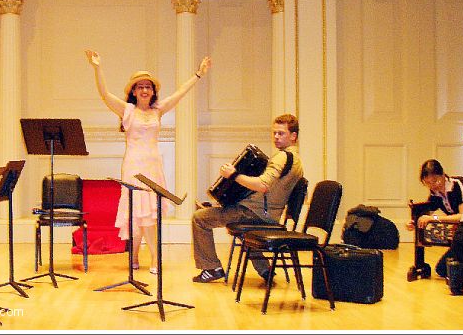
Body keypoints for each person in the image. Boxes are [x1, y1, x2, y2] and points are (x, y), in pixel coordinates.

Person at [86, 50, 211, 274]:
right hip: (134, 166)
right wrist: (97, 68)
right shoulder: (127, 110)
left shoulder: (158, 110)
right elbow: (104, 94)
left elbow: (180, 93)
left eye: (148, 86)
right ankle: (138, 255)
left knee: (149, 213)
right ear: (133, 91)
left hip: (153, 166)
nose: (144, 90)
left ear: (152, 91)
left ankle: (152, 256)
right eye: (140, 86)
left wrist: (198, 75)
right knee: (137, 212)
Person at [191, 114, 304, 283]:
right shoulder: (296, 161)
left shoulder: (283, 157)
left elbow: (262, 185)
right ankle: (265, 270)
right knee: (217, 213)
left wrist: (234, 174)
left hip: (256, 214)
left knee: (200, 218)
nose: (276, 137)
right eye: (274, 133)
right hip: (265, 213)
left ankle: (211, 268)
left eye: (281, 133)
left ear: (293, 136)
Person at [406, 159, 463, 278]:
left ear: (443, 175)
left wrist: (434, 218)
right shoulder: (436, 193)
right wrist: (413, 222)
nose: (432, 185)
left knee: (448, 269)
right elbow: (427, 214)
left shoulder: (459, 185)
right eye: (427, 183)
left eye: (435, 181)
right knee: (442, 269)